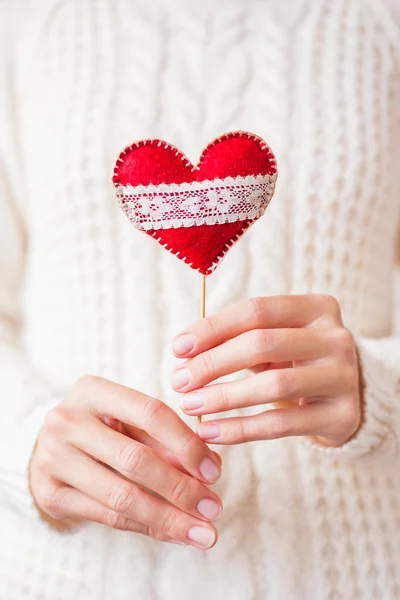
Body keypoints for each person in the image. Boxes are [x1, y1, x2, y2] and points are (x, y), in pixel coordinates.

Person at [1, 0, 400, 598]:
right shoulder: (28, 23)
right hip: (70, 578)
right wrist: (24, 438)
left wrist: (381, 392)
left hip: (350, 572)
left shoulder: (381, 20)